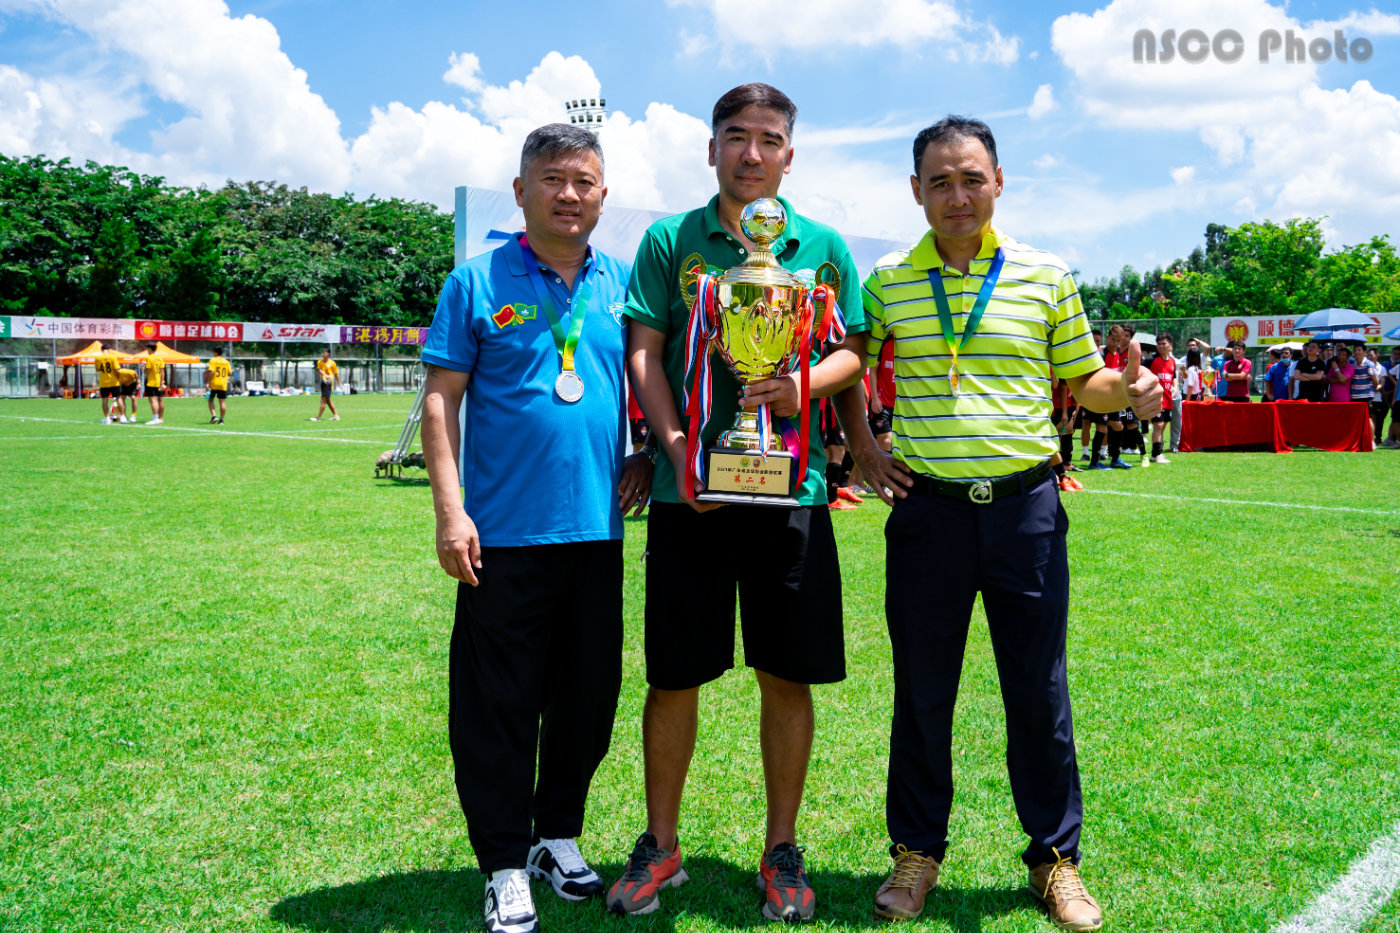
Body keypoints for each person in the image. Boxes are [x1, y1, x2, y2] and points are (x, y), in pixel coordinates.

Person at [846, 115, 1162, 931]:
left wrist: (1124, 392)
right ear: (915, 191)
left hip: (1025, 508)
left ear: (999, 181)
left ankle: (1055, 860)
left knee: (1038, 689)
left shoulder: (1045, 274)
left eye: (972, 178)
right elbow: (848, 361)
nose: (957, 195)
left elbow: (1084, 379)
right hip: (928, 516)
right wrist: (860, 448)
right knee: (924, 690)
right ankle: (916, 853)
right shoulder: (885, 280)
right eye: (940, 181)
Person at [606, 83, 868, 925]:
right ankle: (661, 844)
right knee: (674, 672)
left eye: (768, 139)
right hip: (694, 496)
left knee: (786, 671)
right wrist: (679, 450)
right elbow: (644, 352)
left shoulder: (820, 245)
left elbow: (854, 350)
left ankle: (782, 846)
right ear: (711, 147)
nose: (751, 153)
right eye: (735, 137)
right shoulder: (668, 240)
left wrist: (801, 386)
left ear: (790, 152)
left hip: (791, 489)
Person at [420, 123, 654, 933]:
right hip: (504, 536)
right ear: (520, 191)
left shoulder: (620, 283)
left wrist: (651, 453)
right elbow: (440, 400)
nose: (569, 194)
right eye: (552, 179)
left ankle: (557, 836)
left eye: (585, 181)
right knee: (498, 705)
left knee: (588, 699)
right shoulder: (477, 281)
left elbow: (644, 380)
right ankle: (502, 861)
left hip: (596, 532)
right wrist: (451, 510)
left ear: (602, 195)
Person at [1146, 334, 1176, 464]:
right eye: (1159, 344)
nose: (1161, 346)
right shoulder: (1151, 360)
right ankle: (1156, 454)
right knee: (1157, 425)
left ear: (1170, 346)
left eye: (1164, 344)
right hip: (1156, 399)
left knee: (1163, 426)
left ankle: (1157, 452)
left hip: (1168, 399)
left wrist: (1174, 387)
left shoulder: (1172, 361)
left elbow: (1173, 376)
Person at [94, 341, 123, 423]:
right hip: (114, 381)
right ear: (109, 349)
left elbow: (97, 369)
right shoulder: (113, 357)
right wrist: (119, 378)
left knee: (104, 400)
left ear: (102, 350)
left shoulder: (97, 358)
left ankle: (107, 418)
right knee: (118, 398)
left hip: (104, 382)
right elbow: (117, 369)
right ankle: (122, 416)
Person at [311, 348, 342, 421]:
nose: (322, 354)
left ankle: (318, 417)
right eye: (322, 353)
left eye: (324, 353)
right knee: (328, 400)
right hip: (323, 382)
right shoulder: (319, 362)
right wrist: (325, 374)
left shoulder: (332, 363)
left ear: (328, 354)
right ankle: (336, 416)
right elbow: (319, 370)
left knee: (323, 400)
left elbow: (336, 374)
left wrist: (339, 384)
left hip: (328, 383)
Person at [141, 344, 166, 424]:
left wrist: (143, 368)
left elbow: (148, 371)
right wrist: (162, 382)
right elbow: (162, 371)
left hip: (152, 382)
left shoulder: (149, 358)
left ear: (149, 349)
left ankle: (155, 418)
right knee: (160, 400)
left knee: (153, 400)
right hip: (159, 382)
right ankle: (161, 418)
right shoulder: (160, 358)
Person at [205, 347, 232, 423]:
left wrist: (208, 382)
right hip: (223, 384)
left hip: (214, 383)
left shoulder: (213, 360)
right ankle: (222, 420)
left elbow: (212, 372)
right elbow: (230, 373)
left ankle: (214, 416)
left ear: (216, 352)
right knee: (222, 401)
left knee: (210, 400)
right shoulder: (226, 362)